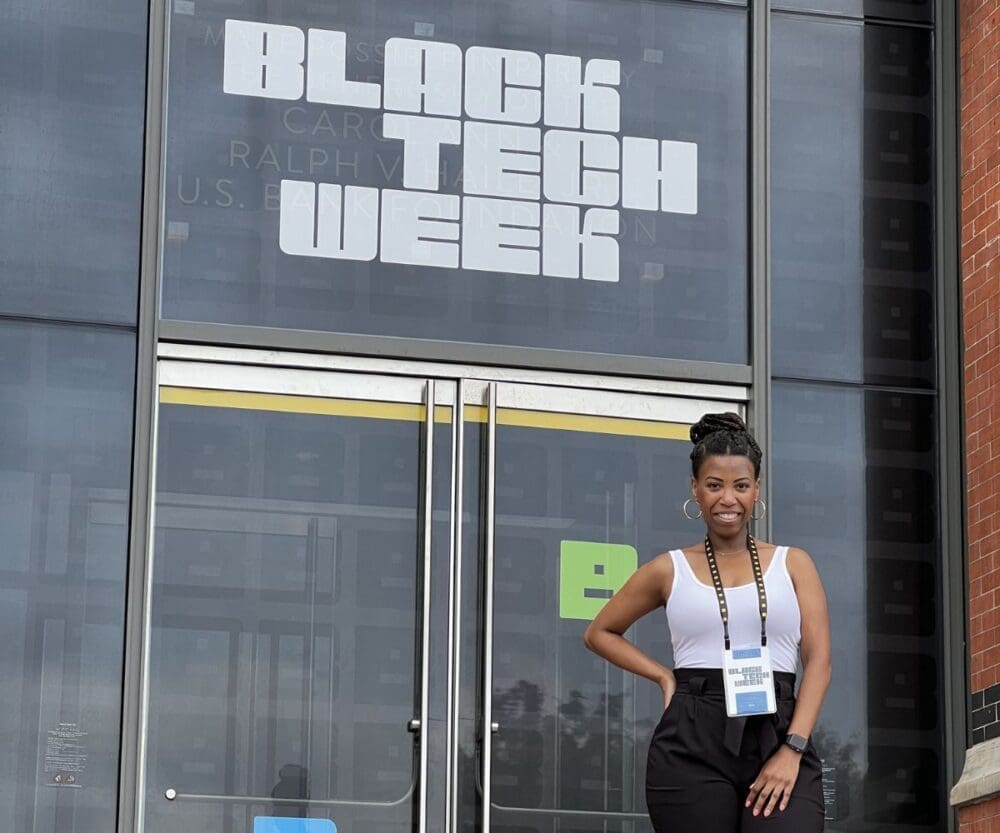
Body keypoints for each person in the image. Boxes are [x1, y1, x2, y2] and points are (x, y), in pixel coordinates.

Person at [583, 412, 831, 832]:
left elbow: (820, 661)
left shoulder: (794, 564)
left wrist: (793, 748)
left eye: (741, 486)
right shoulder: (669, 569)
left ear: (756, 490)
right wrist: (664, 677)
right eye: (714, 485)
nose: (727, 499)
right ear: (695, 490)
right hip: (692, 736)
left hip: (778, 729)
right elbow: (599, 633)